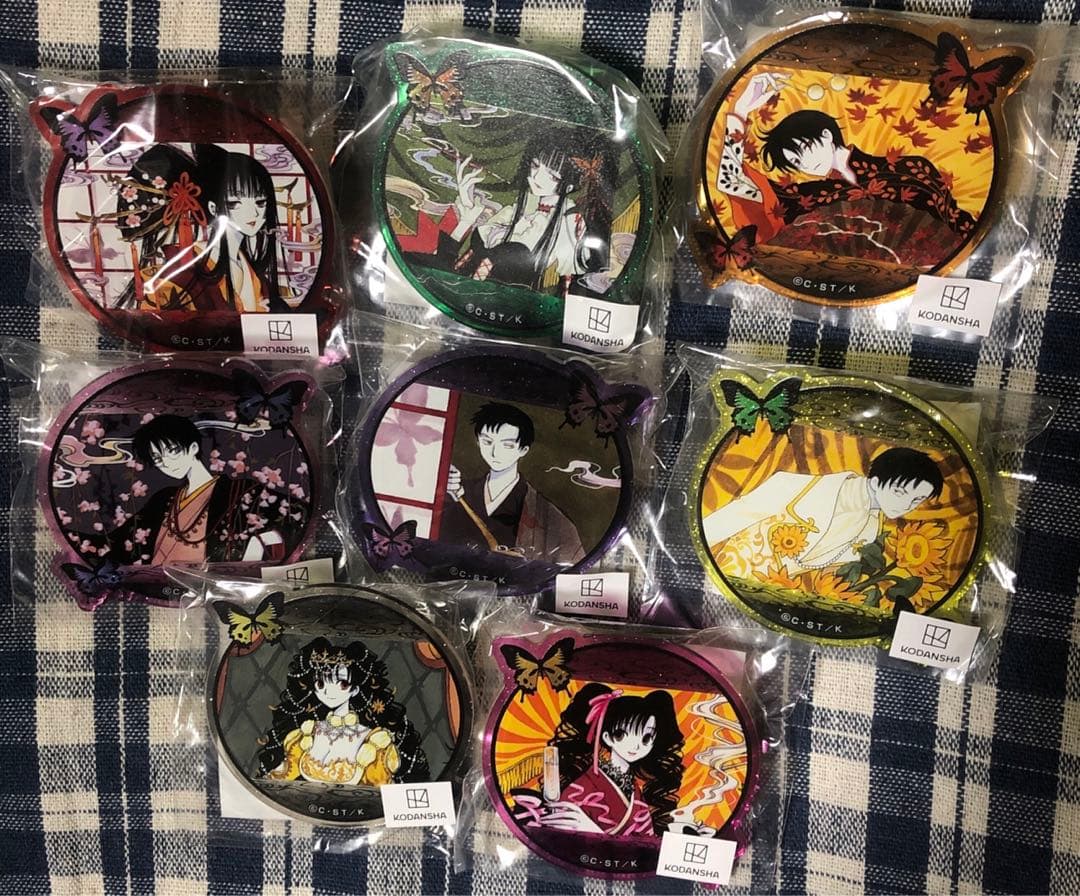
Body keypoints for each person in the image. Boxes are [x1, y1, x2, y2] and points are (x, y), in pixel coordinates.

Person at [714, 71, 976, 245]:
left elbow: (957, 222)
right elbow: (731, 182)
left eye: (803, 150)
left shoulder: (910, 169)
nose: (804, 164)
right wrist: (740, 111)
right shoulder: (807, 196)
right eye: (795, 162)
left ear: (827, 135)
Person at [396, 128, 615, 292]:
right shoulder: (516, 210)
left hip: (508, 305)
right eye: (535, 165)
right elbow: (451, 269)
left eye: (552, 175)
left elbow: (568, 276)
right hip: (455, 292)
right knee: (403, 264)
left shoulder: (570, 220)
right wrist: (467, 216)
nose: (536, 177)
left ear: (569, 186)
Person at [702, 446, 945, 578]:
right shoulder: (795, 486)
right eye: (900, 492)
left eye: (917, 500)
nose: (907, 505)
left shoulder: (870, 532)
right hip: (724, 574)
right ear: (875, 480)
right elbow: (733, 516)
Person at [115, 144, 290, 313]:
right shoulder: (179, 275)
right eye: (235, 203)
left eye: (260, 202)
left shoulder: (248, 268)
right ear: (213, 208)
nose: (253, 213)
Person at [107, 414, 284, 565]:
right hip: (159, 580)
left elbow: (290, 519)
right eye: (158, 459)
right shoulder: (164, 498)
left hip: (210, 582)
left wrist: (256, 546)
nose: (167, 463)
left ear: (193, 448)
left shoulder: (238, 491)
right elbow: (117, 541)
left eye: (172, 451)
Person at [513, 684, 684, 837]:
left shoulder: (634, 790)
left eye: (646, 739)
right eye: (621, 735)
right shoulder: (583, 786)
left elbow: (645, 841)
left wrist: (596, 832)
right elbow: (564, 834)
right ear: (607, 737)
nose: (636, 746)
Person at [257, 637, 429, 785]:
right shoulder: (305, 735)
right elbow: (278, 780)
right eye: (320, 684)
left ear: (355, 689)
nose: (328, 691)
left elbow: (382, 793)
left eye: (342, 683)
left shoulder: (374, 742)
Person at [439, 403, 585, 562]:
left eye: (507, 445)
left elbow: (569, 566)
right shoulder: (458, 490)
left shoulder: (548, 515)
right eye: (487, 442)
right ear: (478, 441)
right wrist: (440, 489)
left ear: (523, 450)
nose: (495, 452)